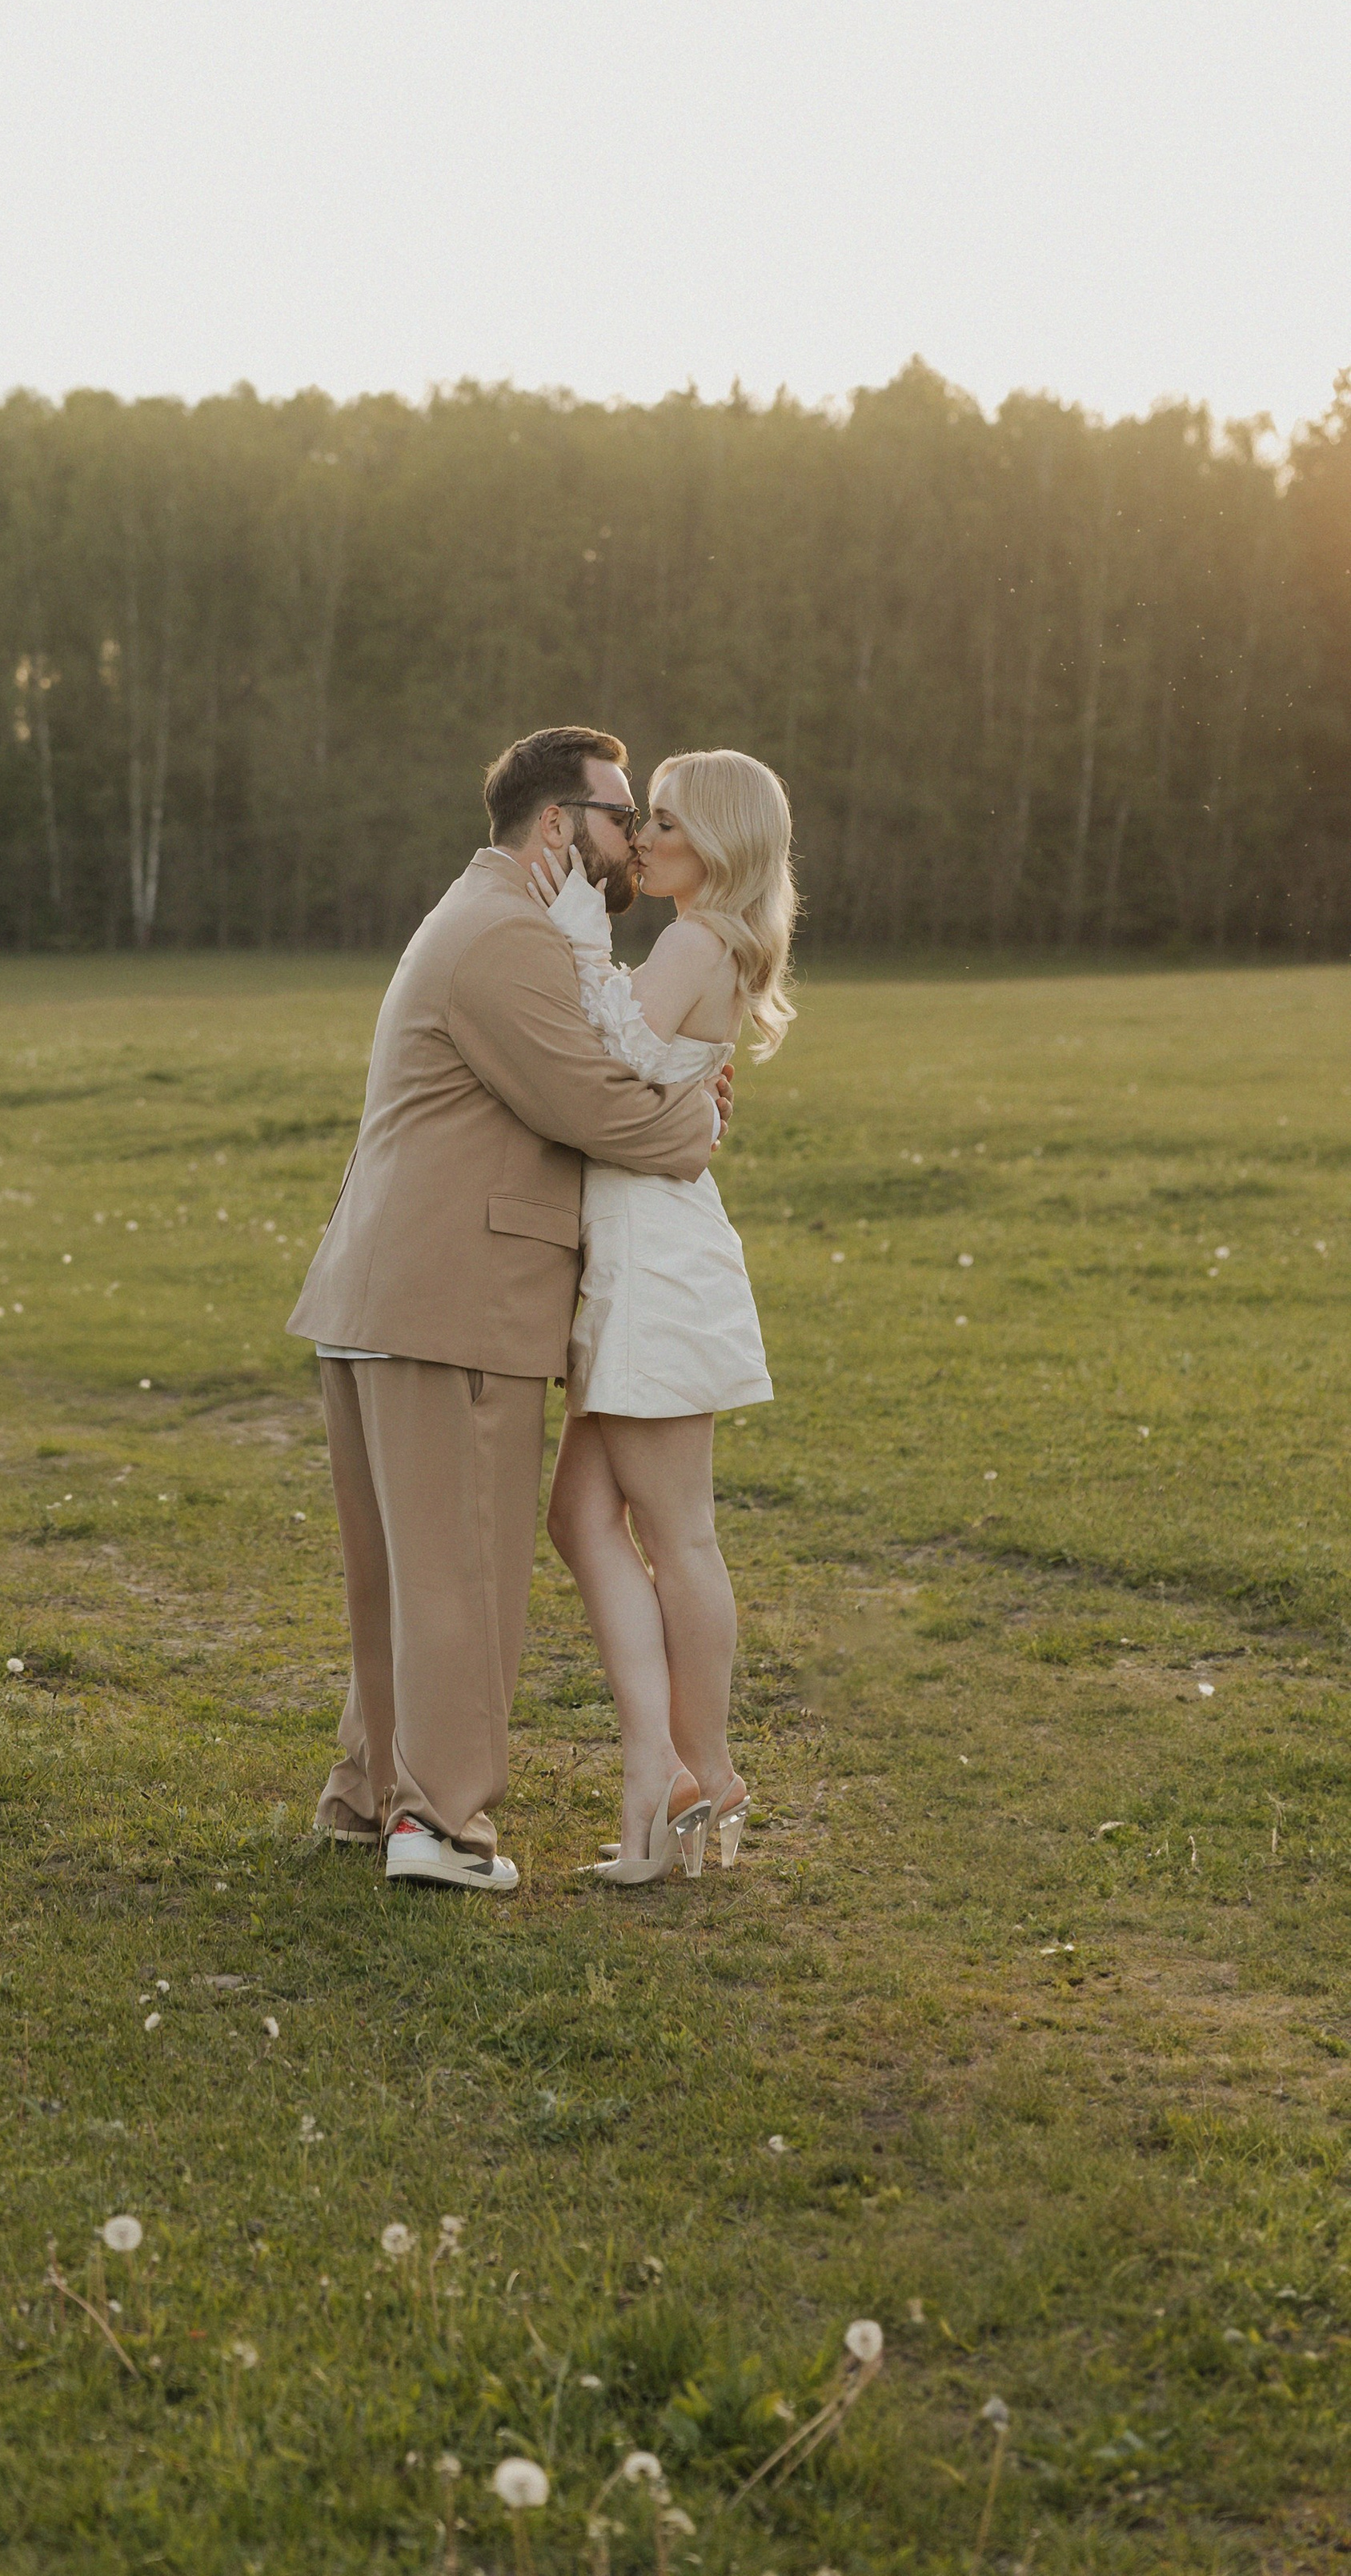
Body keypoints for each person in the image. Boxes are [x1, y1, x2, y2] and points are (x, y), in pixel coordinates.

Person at [287, 727, 732, 1893]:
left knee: (400, 1578)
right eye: (618, 815)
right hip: (454, 1299)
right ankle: (441, 1829)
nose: (632, 838)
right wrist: (698, 1122)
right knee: (462, 1577)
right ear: (556, 825)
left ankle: (370, 1797)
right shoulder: (507, 938)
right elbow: (595, 1107)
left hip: (393, 1294)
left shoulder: (476, 917)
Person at [529, 747, 798, 1885]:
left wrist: (580, 933)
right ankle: (671, 1773)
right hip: (639, 1254)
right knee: (579, 1517)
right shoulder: (708, 942)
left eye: (668, 824)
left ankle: (707, 1770)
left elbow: (617, 1056)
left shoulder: (697, 940)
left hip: (656, 1263)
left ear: (721, 844)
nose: (642, 838)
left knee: (679, 1534)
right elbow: (650, 1066)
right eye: (645, 820)